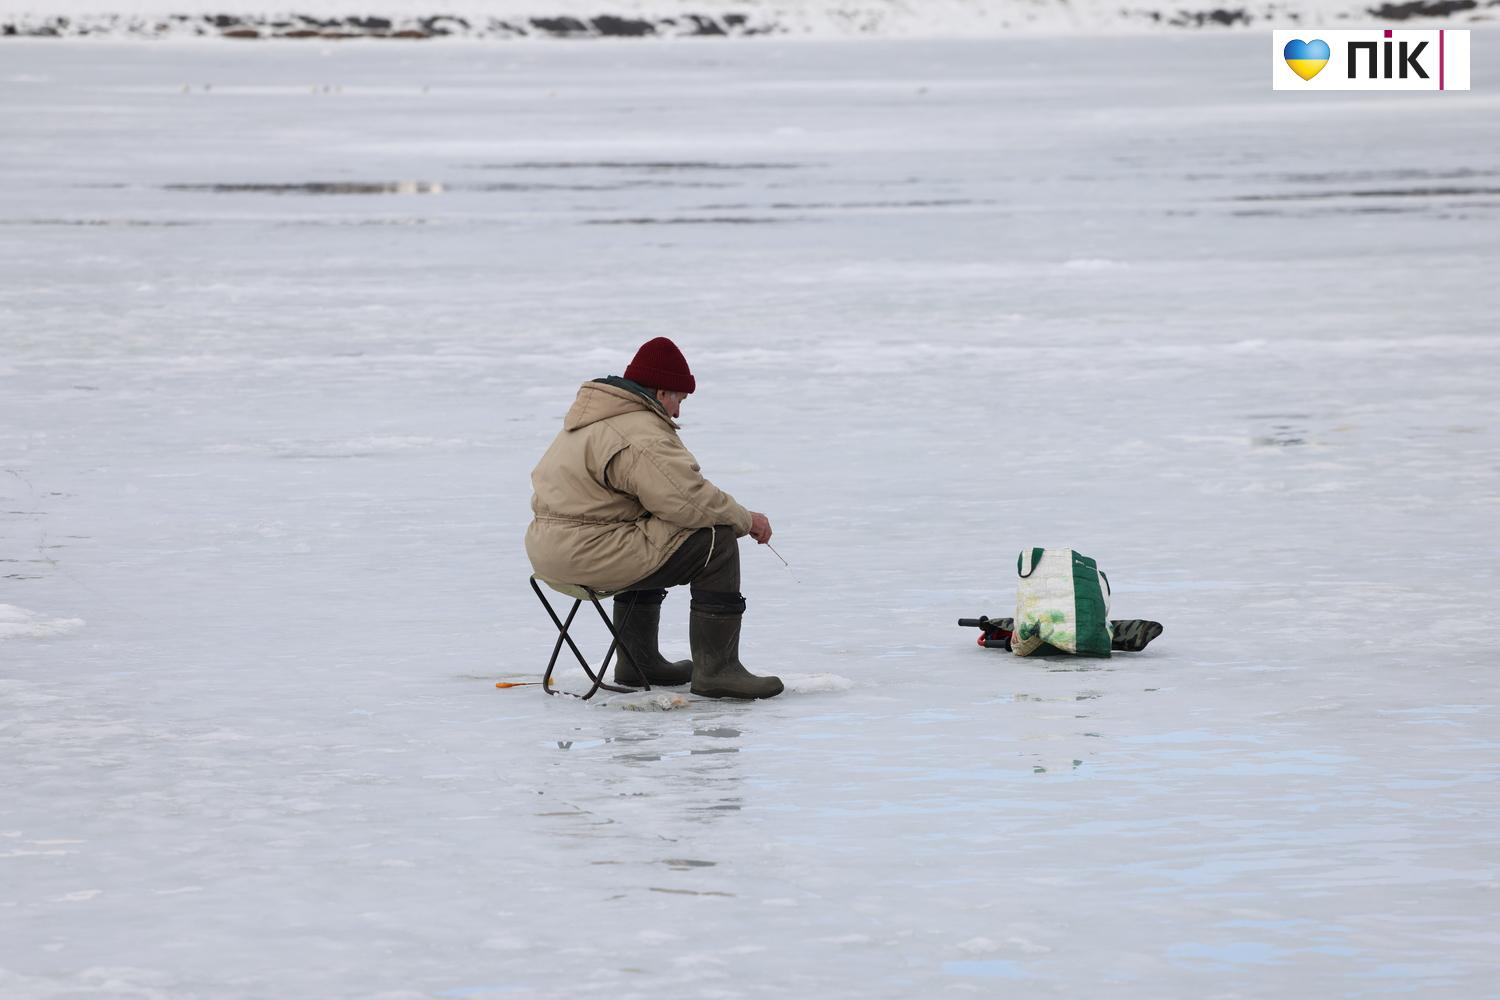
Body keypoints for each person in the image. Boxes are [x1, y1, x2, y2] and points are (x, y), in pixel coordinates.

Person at [524, 337, 783, 700]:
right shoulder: (638, 430)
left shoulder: (593, 420)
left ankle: (638, 662)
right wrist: (747, 519)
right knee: (716, 539)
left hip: (550, 552)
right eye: (679, 399)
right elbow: (689, 500)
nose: (677, 413)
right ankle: (718, 671)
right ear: (661, 393)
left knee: (649, 529)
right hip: (588, 554)